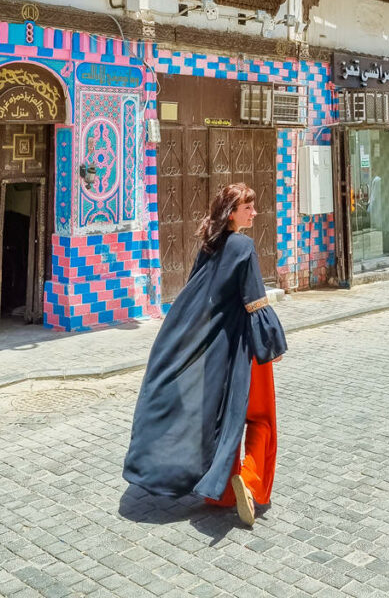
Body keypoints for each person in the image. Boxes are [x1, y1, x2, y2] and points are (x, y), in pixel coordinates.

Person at [122, 182, 287, 526]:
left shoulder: (209, 247)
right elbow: (255, 301)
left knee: (223, 419)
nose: (254, 213)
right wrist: (272, 345)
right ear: (232, 213)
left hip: (217, 350)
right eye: (248, 209)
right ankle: (251, 481)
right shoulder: (243, 246)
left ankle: (224, 489)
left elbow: (197, 299)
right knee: (261, 419)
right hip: (246, 347)